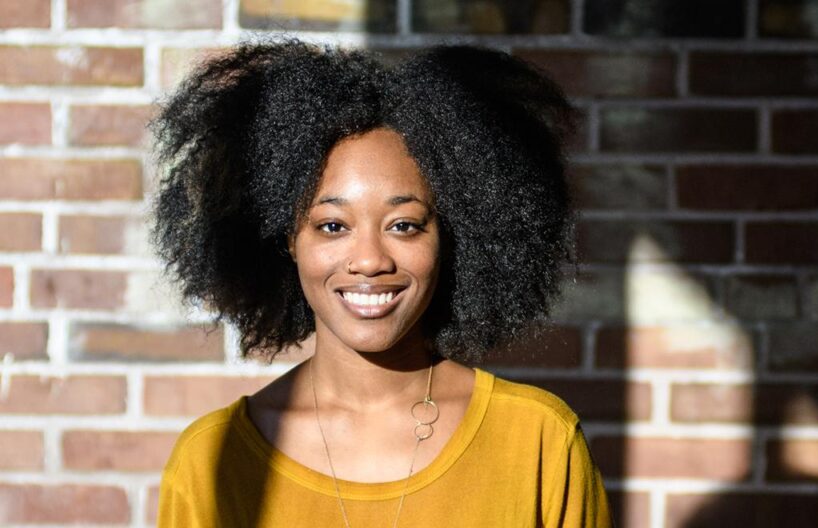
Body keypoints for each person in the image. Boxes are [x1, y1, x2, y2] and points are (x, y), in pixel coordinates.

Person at [152, 40, 610, 527]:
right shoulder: (211, 461)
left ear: (452, 235)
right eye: (332, 226)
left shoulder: (537, 441)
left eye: (404, 225)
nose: (369, 261)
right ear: (288, 240)